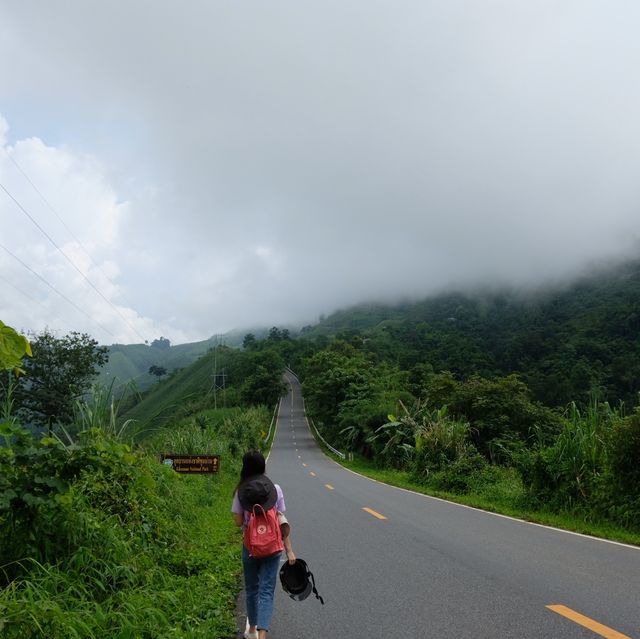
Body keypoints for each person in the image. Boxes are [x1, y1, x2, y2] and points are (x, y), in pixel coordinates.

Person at [232, 450, 296, 639]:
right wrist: (290, 551)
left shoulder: (241, 492)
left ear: (245, 468)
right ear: (263, 467)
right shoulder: (275, 489)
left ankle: (251, 629)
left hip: (250, 546)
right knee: (266, 591)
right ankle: (262, 634)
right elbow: (280, 521)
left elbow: (237, 522)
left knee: (252, 588)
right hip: (272, 547)